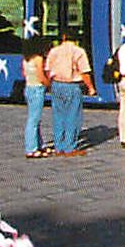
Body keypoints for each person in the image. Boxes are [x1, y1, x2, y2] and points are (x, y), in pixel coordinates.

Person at [45, 26, 96, 156]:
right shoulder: (79, 52)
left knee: (58, 116)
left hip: (57, 84)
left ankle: (58, 146)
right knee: (73, 116)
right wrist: (90, 87)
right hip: (72, 86)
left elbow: (47, 70)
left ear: (63, 37)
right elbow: (84, 72)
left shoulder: (54, 51)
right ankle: (69, 147)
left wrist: (49, 84)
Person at [21, 37, 50, 158]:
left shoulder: (26, 59)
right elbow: (41, 76)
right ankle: (31, 148)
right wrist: (49, 85)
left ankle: (39, 144)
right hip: (37, 89)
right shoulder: (38, 59)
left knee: (34, 118)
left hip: (28, 88)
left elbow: (24, 73)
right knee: (34, 120)